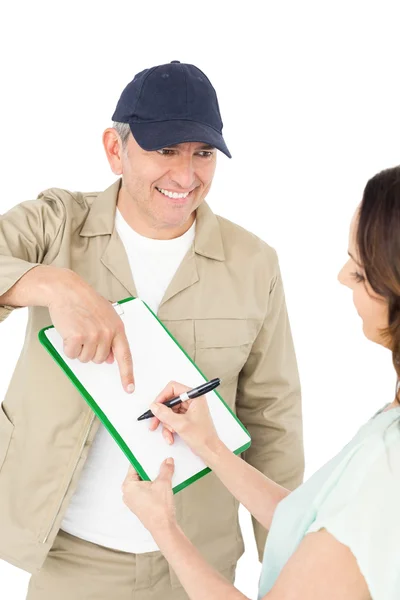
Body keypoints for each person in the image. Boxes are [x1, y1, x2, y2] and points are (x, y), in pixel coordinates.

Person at [0, 61, 304, 600]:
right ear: (116, 150)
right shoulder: (55, 225)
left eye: (203, 153)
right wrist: (52, 283)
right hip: (71, 557)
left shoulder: (255, 263)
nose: (186, 177)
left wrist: (290, 565)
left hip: (197, 566)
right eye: (166, 151)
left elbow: (272, 421)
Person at [122, 165, 400, 600]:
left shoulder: (389, 464)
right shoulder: (392, 422)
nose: (343, 276)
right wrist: (210, 445)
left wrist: (163, 527)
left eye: (362, 272)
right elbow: (312, 522)